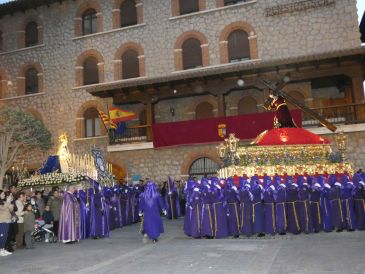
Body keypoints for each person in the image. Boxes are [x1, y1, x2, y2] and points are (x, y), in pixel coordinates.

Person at [0, 190, 13, 256]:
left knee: (5, 236)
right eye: (2, 194)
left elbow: (11, 209)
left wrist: (10, 204)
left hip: (7, 220)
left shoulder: (4, 202)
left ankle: (3, 249)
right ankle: (0, 249)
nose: (4, 195)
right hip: (1, 221)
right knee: (2, 236)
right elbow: (3, 208)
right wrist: (8, 202)